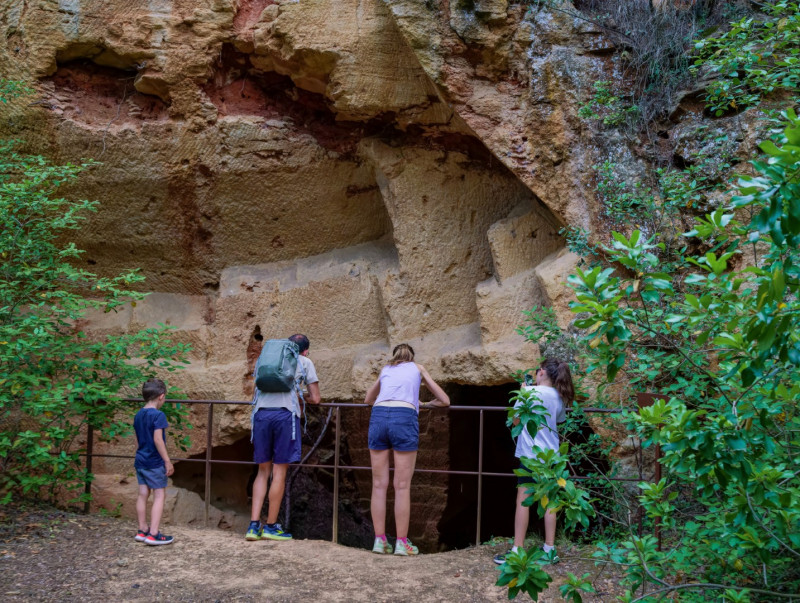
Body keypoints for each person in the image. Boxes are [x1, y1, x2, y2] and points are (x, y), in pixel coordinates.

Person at [364, 343, 450, 555]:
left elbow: (368, 399)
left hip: (379, 416)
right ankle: (401, 543)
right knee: (401, 486)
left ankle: (379, 541)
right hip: (404, 417)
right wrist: (424, 403)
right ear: (411, 357)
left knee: (378, 485)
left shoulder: (386, 369)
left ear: (395, 357)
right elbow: (445, 400)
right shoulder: (418, 368)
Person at [493, 358, 574, 565]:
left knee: (523, 499)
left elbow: (516, 421)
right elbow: (558, 421)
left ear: (541, 372)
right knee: (550, 501)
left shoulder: (528, 393)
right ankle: (549, 549)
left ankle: (518, 550)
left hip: (530, 455)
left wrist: (523, 393)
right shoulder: (558, 395)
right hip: (551, 456)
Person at [246, 333, 321, 541]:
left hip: (261, 414)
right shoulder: (304, 361)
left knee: (262, 472)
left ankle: (253, 526)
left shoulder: (266, 359)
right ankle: (270, 526)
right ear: (305, 350)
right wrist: (299, 394)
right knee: (278, 472)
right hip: (285, 415)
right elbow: (315, 398)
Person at [134, 378, 175, 546]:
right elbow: (158, 440)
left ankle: (142, 530)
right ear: (161, 396)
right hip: (154, 461)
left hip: (141, 460)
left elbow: (136, 441)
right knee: (159, 495)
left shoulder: (138, 414)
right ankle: (154, 533)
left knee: (143, 494)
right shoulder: (158, 415)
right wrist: (167, 461)